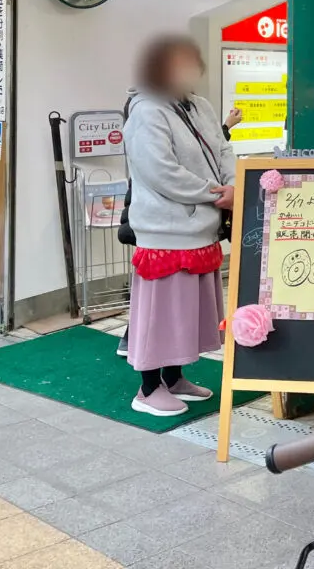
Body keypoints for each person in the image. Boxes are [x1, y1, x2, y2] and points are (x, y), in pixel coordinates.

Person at [122, 35, 235, 416]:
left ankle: (175, 377)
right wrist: (213, 192)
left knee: (185, 313)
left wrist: (233, 184)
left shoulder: (199, 105)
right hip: (164, 233)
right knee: (161, 314)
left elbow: (222, 148)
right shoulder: (146, 110)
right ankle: (148, 388)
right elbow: (160, 171)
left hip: (201, 228)